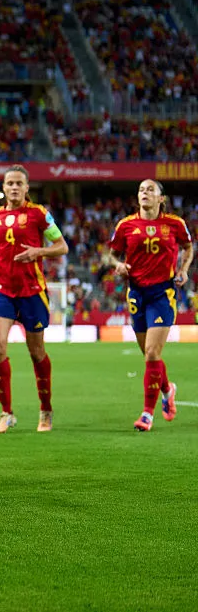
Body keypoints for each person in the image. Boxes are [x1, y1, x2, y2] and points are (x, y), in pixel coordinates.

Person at [0, 165, 68, 434]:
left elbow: (61, 246)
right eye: (10, 183)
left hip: (32, 291)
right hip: (3, 289)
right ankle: (6, 413)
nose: (14, 187)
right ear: (3, 188)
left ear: (27, 187)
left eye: (19, 183)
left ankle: (46, 409)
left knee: (36, 352)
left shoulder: (39, 214)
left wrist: (37, 252)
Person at [109, 179, 193, 431]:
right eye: (141, 190)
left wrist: (184, 269)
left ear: (161, 199)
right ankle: (168, 389)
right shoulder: (126, 225)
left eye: (150, 190)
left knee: (152, 353)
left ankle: (147, 413)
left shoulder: (175, 224)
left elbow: (189, 248)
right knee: (147, 353)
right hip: (136, 294)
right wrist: (118, 265)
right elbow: (112, 253)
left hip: (162, 293)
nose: (145, 193)